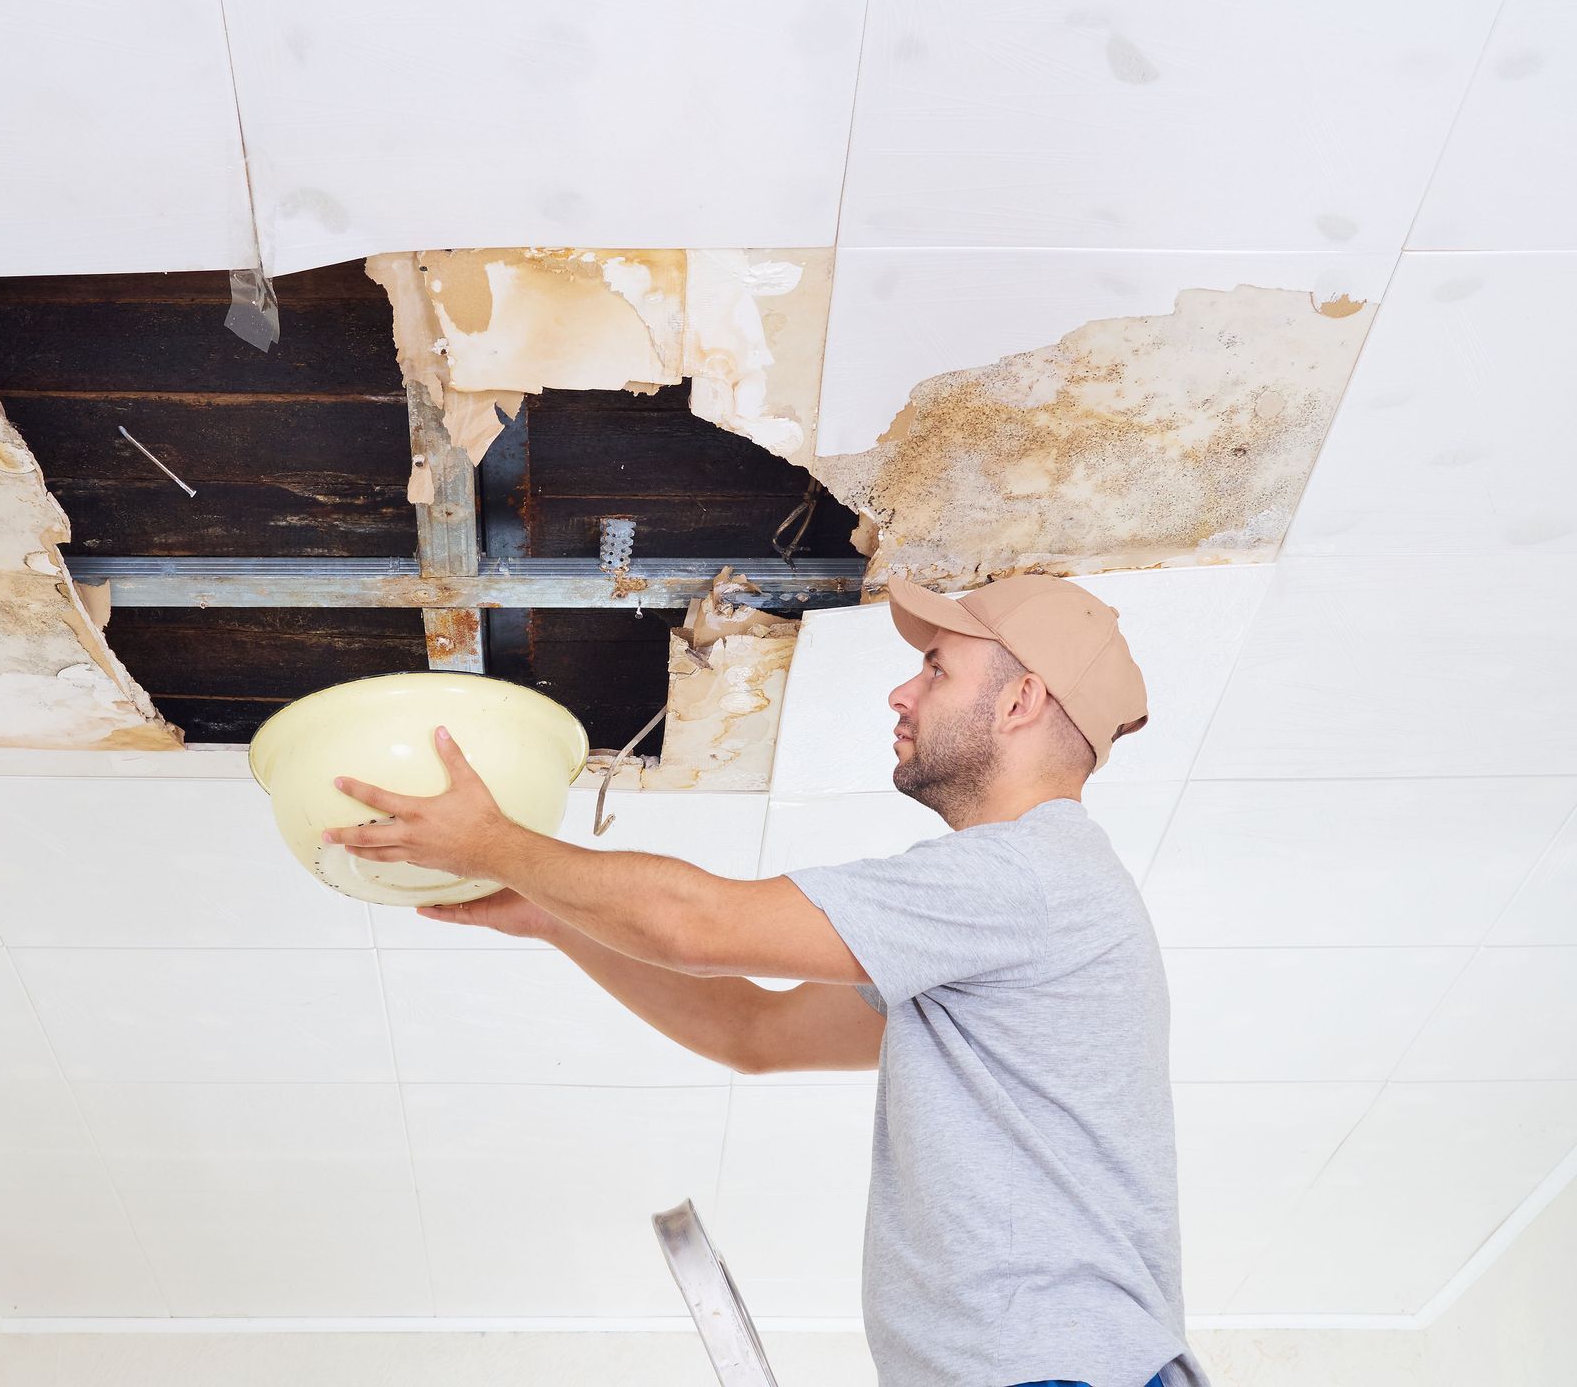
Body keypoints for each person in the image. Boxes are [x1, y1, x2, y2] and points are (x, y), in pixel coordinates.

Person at [324, 573, 1206, 1387]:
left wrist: (493, 842)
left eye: (936, 670)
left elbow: (699, 927)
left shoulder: (1028, 875)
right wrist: (557, 916)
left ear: (1021, 700)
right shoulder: (999, 915)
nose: (903, 691)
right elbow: (755, 1034)